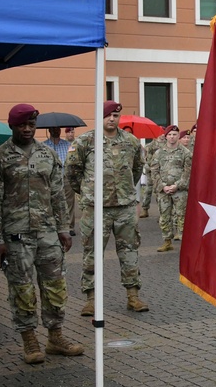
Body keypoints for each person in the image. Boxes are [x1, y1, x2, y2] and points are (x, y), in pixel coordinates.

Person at [0, 104, 82, 364]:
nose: (27, 129)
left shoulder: (47, 154)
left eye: (31, 125)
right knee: (22, 290)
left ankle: (55, 337)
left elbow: (58, 195)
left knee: (55, 286)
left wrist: (63, 228)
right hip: (16, 238)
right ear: (11, 126)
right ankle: (29, 339)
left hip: (48, 233)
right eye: (22, 125)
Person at [66, 100, 149, 314]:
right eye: (107, 115)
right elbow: (73, 172)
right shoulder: (85, 141)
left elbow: (137, 170)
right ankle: (91, 299)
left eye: (115, 115)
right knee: (92, 253)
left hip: (124, 208)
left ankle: (133, 296)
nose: (111, 119)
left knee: (129, 252)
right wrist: (87, 192)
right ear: (100, 117)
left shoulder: (130, 141)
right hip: (96, 209)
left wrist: (125, 191)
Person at [150, 125, 192, 253]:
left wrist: (177, 185)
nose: (172, 137)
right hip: (164, 190)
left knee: (182, 216)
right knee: (164, 216)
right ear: (166, 136)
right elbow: (154, 171)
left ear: (178, 136)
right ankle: (167, 241)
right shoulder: (158, 153)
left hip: (180, 190)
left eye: (174, 134)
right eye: (170, 134)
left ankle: (186, 242)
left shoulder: (185, 152)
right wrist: (163, 186)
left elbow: (188, 172)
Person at [44, 126, 76, 235]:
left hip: (66, 177)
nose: (56, 131)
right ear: (49, 131)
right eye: (53, 129)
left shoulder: (67, 145)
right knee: (52, 201)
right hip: (51, 178)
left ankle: (70, 227)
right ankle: (54, 225)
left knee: (69, 203)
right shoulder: (44, 146)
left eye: (58, 129)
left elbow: (72, 160)